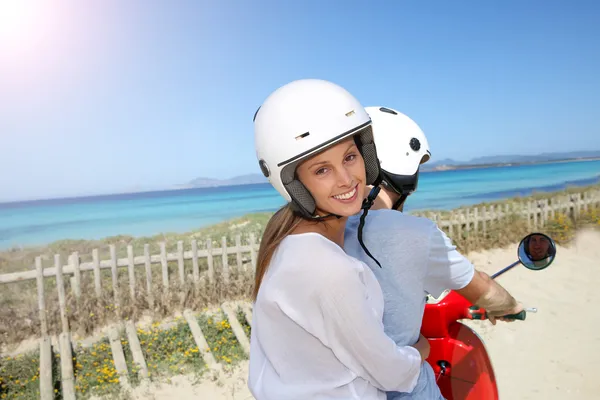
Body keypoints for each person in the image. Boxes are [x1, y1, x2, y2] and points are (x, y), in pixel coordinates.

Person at [247, 80, 431, 400]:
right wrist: (419, 351)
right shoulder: (328, 268)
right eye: (322, 170)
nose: (346, 180)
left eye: (349, 157)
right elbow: (387, 371)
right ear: (296, 183)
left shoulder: (286, 239)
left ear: (366, 155)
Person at [344, 106, 525, 400]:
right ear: (407, 175)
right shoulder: (418, 235)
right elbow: (485, 291)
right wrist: (511, 305)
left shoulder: (320, 232)